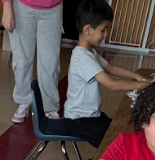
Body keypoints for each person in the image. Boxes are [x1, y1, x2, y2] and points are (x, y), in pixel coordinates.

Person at [63, 0, 148, 149]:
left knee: (119, 132)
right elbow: (112, 84)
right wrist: (143, 85)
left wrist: (136, 75)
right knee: (114, 145)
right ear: (88, 29)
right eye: (103, 30)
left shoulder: (89, 52)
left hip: (91, 115)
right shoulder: (83, 58)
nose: (106, 34)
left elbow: (110, 67)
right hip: (79, 121)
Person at [2, 0, 63, 123]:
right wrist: (7, 6)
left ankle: (49, 106)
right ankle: (23, 101)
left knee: (50, 61)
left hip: (53, 9)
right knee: (22, 59)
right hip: (22, 7)